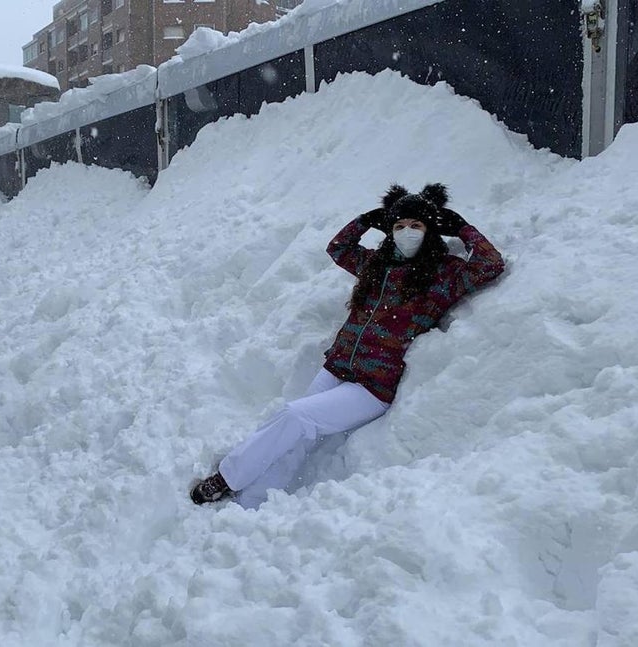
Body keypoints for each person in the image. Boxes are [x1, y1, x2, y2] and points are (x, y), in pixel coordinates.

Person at [190, 183, 506, 509]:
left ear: (430, 231)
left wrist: (462, 228)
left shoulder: (443, 274)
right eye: (399, 226)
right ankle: (253, 501)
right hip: (339, 365)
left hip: (373, 387)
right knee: (297, 435)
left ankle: (226, 479)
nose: (406, 232)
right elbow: (338, 247)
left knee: (295, 416)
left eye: (415, 225)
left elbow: (490, 263)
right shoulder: (376, 265)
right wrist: (367, 219)